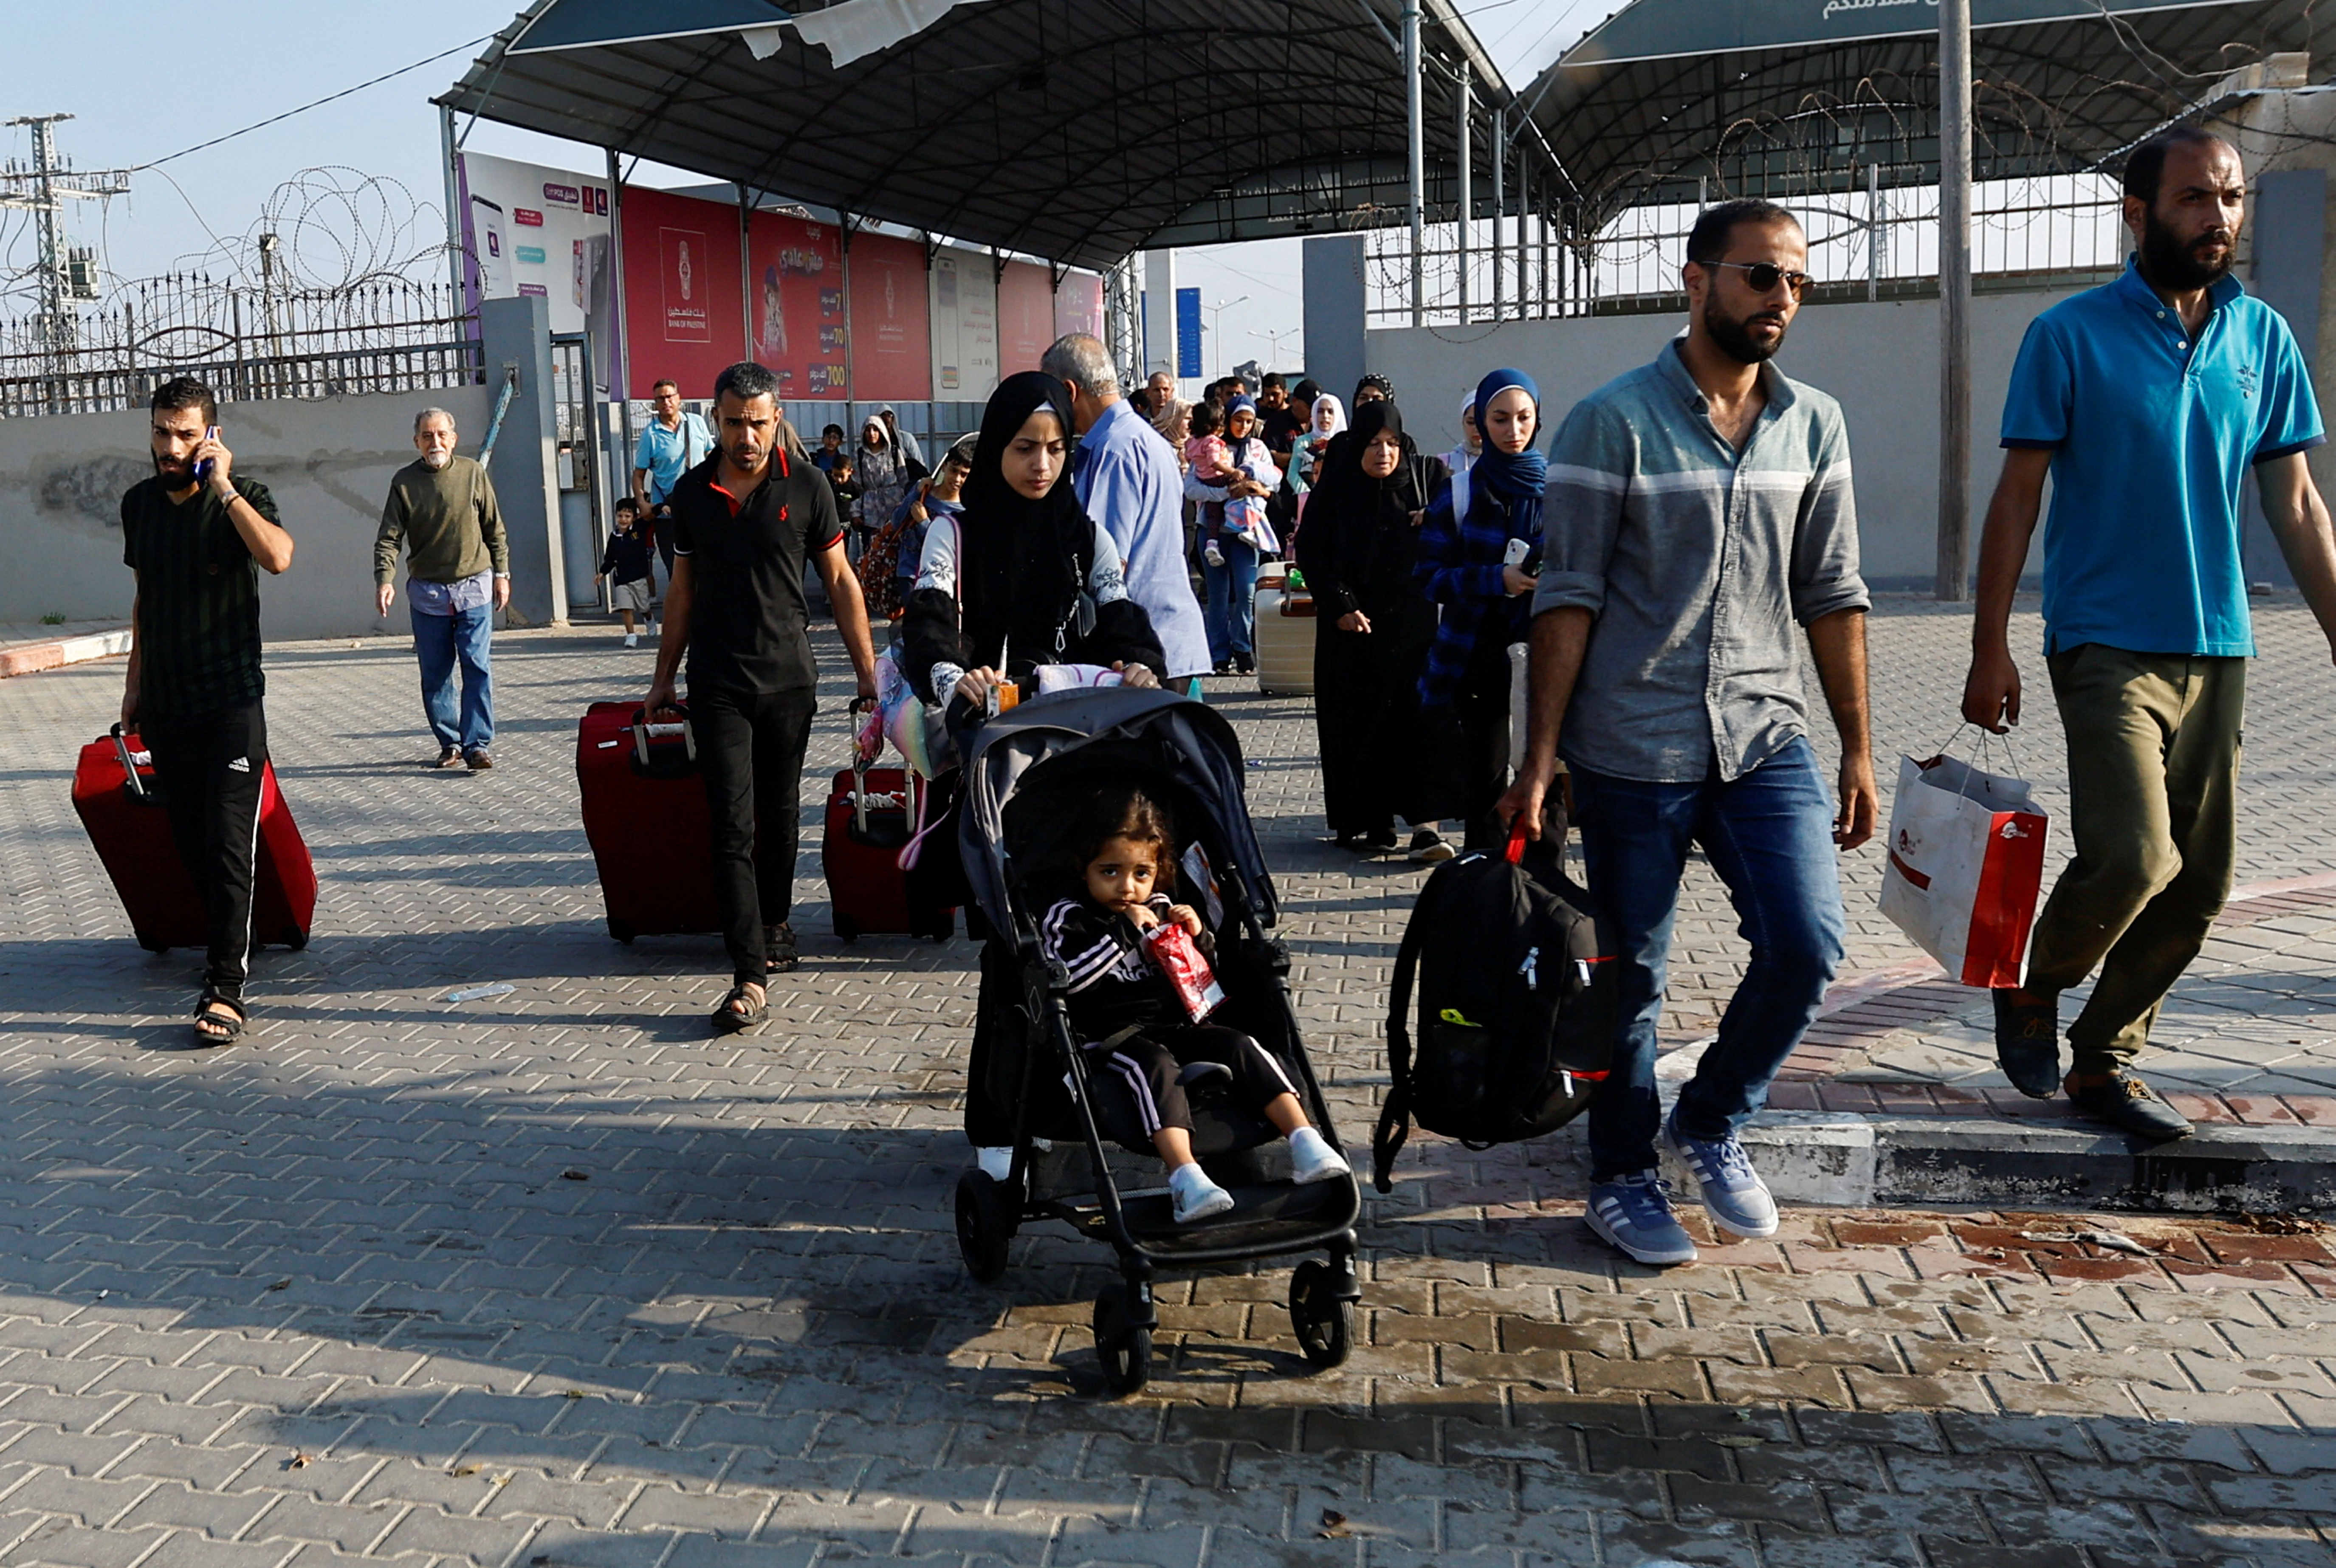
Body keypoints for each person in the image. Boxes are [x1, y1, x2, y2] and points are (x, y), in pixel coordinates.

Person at [1498, 198, 1874, 1269]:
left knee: (1804, 945)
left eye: (1796, 282)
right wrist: (1538, 763)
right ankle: (1617, 1175)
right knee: (1631, 976)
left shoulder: (1814, 425)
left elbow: (1832, 593)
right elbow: (1561, 600)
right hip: (1631, 746)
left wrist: (1853, 747)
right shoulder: (1608, 422)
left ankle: (1707, 1121)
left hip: (1764, 734)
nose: (1780, 300)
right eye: (1760, 277)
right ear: (1695, 279)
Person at [1961, 128, 2336, 1139]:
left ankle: (2102, 1060)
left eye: (2228, 198)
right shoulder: (2067, 334)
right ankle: (2035, 984)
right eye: (2192, 200)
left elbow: (2295, 502)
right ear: (2135, 213)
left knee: (2201, 881)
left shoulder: (2260, 338)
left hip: (2219, 644)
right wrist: (1986, 642)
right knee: (2133, 857)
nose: (2215, 219)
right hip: (2101, 641)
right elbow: (2015, 497)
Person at [643, 361, 878, 1032]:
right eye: (733, 422)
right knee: (731, 825)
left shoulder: (807, 487)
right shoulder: (690, 494)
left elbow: (840, 583)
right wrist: (663, 679)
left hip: (790, 684)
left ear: (777, 419)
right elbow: (681, 593)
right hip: (717, 685)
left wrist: (868, 676)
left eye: (758, 421)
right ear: (714, 422)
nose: (746, 435)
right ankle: (746, 973)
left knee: (779, 818)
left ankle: (774, 920)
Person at [1041, 783, 1350, 1223]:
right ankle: (1187, 1175)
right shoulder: (1068, 916)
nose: (1127, 887)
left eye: (1141, 874)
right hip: (1110, 1038)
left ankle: (1305, 1140)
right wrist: (1124, 933)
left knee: (1240, 1043)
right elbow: (1071, 981)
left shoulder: (1162, 906)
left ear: (1158, 871)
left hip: (1178, 1025)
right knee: (1154, 1067)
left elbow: (1201, 971)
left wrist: (1196, 934)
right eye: (1110, 871)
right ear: (1084, 867)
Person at [118, 377, 297, 1046]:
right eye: (162, 432)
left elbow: (278, 557)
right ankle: (237, 940)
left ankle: (225, 987)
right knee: (192, 843)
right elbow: (145, 597)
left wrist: (223, 486)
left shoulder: (243, 500)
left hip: (229, 704)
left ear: (211, 436)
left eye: (186, 433)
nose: (171, 446)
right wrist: (134, 686)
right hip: (167, 704)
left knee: (227, 844)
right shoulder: (139, 505)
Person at [903, 369, 1168, 718]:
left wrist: (1140, 666)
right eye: (1025, 448)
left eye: (1056, 449)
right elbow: (930, 623)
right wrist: (954, 679)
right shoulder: (953, 535)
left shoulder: (1086, 539)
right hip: (981, 730)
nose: (1042, 466)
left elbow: (1121, 619)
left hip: (1075, 732)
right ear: (997, 446)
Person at [1294, 400, 1453, 859]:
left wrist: (1436, 520)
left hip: (1416, 629)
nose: (1383, 453)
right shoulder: (1338, 490)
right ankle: (1371, 820)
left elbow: (1464, 529)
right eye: (1372, 444)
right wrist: (1340, 604)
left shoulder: (1429, 483)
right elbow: (1312, 552)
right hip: (1354, 635)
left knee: (1422, 726)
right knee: (1361, 726)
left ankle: (1426, 826)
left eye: (1391, 443)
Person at [1412, 371, 1545, 847]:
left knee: (1541, 771)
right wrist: (1496, 578)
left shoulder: (1559, 490)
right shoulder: (1461, 492)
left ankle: (1541, 891)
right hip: (1476, 649)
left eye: (1523, 417)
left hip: (1544, 649)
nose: (1513, 430)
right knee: (1485, 774)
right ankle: (1486, 887)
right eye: (1500, 418)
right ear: (1481, 423)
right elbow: (1429, 579)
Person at [1042, 333, 1213, 688]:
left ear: (1069, 391)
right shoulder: (1145, 438)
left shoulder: (1114, 451)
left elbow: (1104, 562)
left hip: (1139, 653)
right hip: (1167, 638)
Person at [375, 407, 510, 770]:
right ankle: (449, 743)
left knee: (476, 666)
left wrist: (502, 574)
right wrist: (384, 580)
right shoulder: (404, 483)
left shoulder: (472, 473)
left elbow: (493, 528)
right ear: (417, 442)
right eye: (427, 436)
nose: (435, 442)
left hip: (475, 588)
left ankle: (477, 745)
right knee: (435, 673)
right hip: (428, 594)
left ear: (453, 438)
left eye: (441, 435)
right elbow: (389, 539)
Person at [631, 379, 714, 581]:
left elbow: (711, 455)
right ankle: (683, 612)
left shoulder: (696, 422)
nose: (666, 402)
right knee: (678, 574)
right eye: (661, 398)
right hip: (669, 514)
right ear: (656, 404)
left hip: (700, 508)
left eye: (670, 397)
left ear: (679, 399)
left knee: (707, 567)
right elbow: (638, 475)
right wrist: (643, 505)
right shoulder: (650, 434)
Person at [850, 412, 918, 566]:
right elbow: (856, 486)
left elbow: (904, 481)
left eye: (875, 430)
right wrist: (855, 513)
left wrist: (907, 508)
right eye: (868, 430)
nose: (872, 434)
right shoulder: (860, 456)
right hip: (870, 511)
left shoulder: (894, 453)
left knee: (895, 550)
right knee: (871, 551)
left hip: (894, 507)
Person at [598, 497, 655, 646]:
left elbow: (651, 515)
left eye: (628, 516)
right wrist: (603, 573)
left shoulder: (638, 530)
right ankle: (631, 635)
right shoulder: (614, 537)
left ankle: (649, 618)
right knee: (626, 608)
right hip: (622, 578)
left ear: (634, 518)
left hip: (638, 577)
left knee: (644, 607)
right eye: (620, 516)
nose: (623, 520)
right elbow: (610, 558)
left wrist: (663, 507)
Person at [1288, 392, 1346, 495]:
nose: (1325, 416)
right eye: (1320, 411)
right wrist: (1308, 496)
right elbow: (1293, 474)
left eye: (1330, 412)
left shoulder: (1344, 442)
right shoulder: (1303, 441)